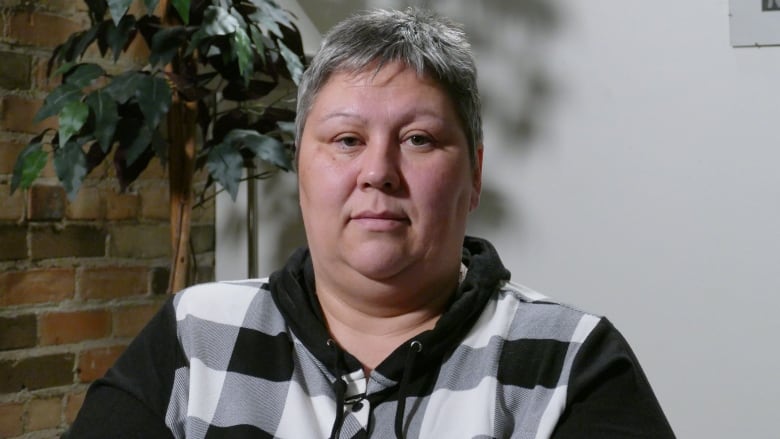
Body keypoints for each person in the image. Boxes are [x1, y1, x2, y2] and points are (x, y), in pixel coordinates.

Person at [67, 8, 675, 439]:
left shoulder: (568, 363)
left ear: (475, 175)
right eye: (347, 139)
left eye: (418, 139)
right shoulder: (195, 338)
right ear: (300, 167)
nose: (378, 171)